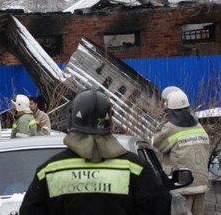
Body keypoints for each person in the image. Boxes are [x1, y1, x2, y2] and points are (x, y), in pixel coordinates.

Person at [20, 88, 171, 215]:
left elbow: (29, 211)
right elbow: (159, 208)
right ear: (109, 122)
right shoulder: (137, 168)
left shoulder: (49, 170)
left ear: (72, 119)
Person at [152, 90, 209, 215]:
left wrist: (162, 123)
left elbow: (154, 144)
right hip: (201, 183)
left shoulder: (171, 128)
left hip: (182, 186)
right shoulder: (199, 127)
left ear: (170, 111)